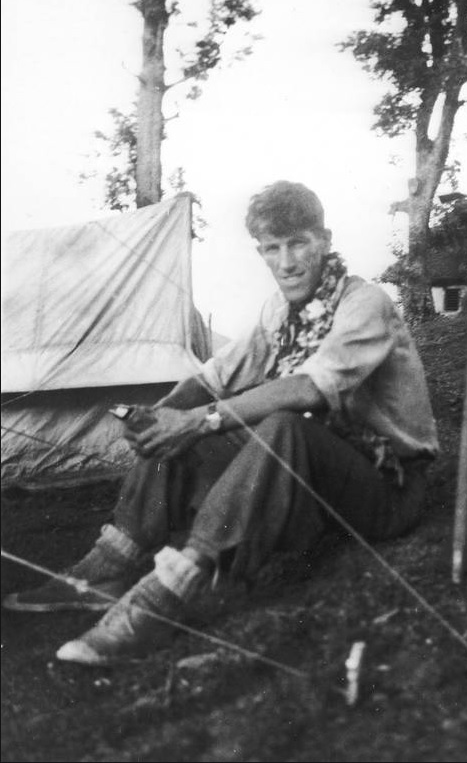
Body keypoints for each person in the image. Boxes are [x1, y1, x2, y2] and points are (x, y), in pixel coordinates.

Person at [4, 181, 440, 665]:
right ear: (261, 253)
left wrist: (199, 421)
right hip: (322, 480)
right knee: (182, 435)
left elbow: (309, 389)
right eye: (272, 249)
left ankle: (170, 591)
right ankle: (110, 566)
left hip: (388, 488)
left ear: (325, 239)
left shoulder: (365, 303)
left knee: (282, 426)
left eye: (298, 243)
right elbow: (215, 376)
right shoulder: (280, 311)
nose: (287, 262)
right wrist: (163, 414)